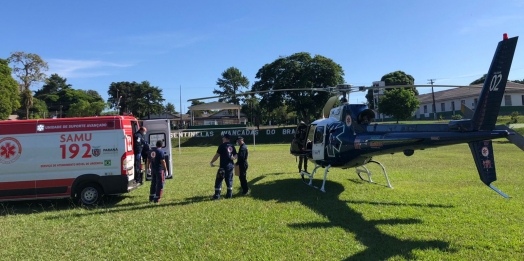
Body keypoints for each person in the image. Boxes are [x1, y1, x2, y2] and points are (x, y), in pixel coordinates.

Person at [210, 134, 237, 200]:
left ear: (225, 138)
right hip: (230, 166)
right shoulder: (232, 146)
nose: (222, 139)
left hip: (223, 167)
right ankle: (229, 195)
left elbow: (217, 155)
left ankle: (217, 196)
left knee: (219, 180)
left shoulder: (222, 146)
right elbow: (236, 154)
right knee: (229, 180)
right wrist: (234, 158)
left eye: (223, 138)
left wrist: (212, 162)